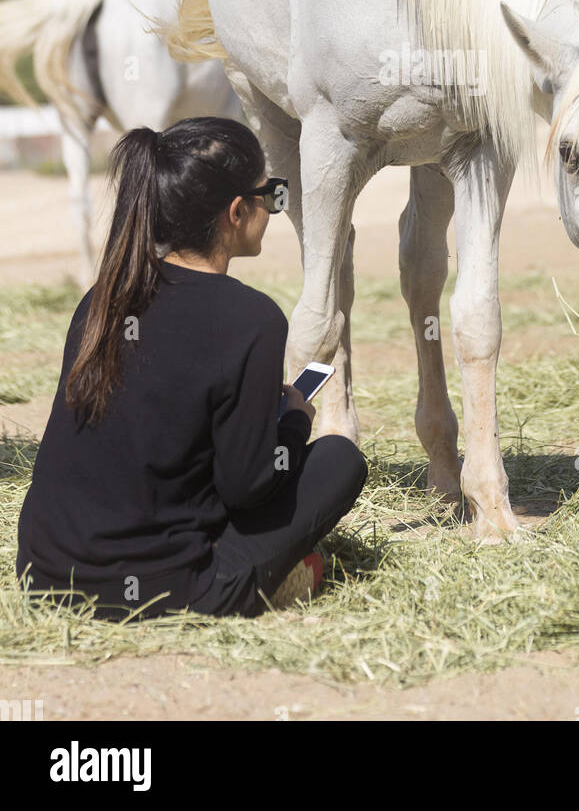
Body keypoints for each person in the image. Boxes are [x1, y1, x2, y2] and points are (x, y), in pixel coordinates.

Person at [16, 116, 367, 620]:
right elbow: (247, 488)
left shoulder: (103, 298)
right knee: (340, 459)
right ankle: (287, 579)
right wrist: (293, 419)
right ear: (236, 211)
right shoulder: (252, 318)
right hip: (167, 590)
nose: (273, 207)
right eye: (270, 195)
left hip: (44, 574)